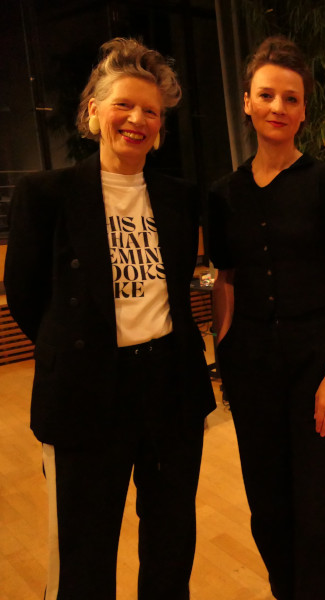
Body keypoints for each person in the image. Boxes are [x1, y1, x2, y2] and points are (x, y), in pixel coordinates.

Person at [4, 38, 215, 599]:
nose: (137, 119)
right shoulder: (46, 194)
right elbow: (25, 297)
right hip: (85, 390)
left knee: (172, 539)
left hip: (169, 387)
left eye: (151, 111)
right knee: (85, 547)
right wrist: (79, 344)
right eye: (124, 104)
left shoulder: (178, 197)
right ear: (93, 111)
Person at [205, 36, 325, 600]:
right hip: (251, 368)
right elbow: (224, 279)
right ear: (246, 101)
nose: (278, 107)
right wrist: (224, 356)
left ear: (303, 109)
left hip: (315, 365)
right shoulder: (223, 194)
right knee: (267, 501)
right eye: (267, 95)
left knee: (318, 503)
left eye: (290, 98)